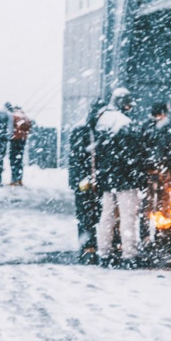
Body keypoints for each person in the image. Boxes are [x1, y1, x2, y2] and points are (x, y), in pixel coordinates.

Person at [93, 87, 146, 267]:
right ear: (124, 103)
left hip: (107, 177)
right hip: (125, 179)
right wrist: (138, 177)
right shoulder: (124, 122)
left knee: (106, 217)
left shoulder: (101, 120)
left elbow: (97, 151)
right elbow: (132, 155)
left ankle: (104, 253)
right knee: (127, 217)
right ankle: (129, 255)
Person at [68, 100, 104, 264]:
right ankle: (88, 245)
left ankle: (89, 245)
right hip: (87, 180)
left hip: (90, 179)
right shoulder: (86, 131)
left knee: (91, 213)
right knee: (87, 213)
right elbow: (77, 157)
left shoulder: (88, 130)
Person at [140, 101, 171, 241]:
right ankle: (162, 234)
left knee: (148, 205)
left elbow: (142, 148)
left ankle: (146, 235)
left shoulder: (146, 127)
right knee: (164, 204)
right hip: (164, 171)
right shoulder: (168, 127)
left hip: (149, 172)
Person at [7, 103, 32, 186]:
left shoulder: (13, 116)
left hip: (14, 140)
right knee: (19, 160)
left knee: (13, 160)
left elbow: (9, 127)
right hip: (22, 140)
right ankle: (19, 179)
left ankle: (13, 180)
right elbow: (29, 128)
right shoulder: (25, 116)